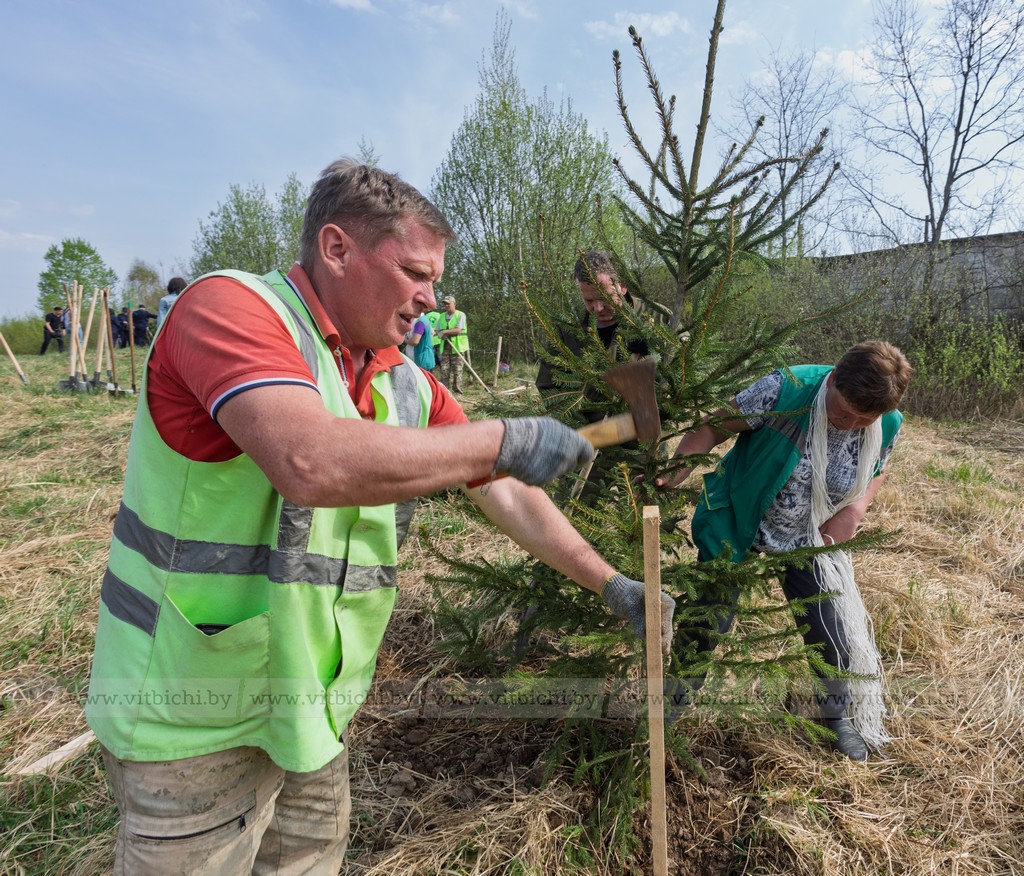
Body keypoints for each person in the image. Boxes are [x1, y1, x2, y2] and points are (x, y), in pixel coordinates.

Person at [85, 157, 676, 875]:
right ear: (337, 248)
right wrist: (501, 439)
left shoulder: (402, 380)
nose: (432, 296)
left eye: (435, 278)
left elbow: (505, 489)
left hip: (312, 709)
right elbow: (308, 459)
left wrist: (610, 583)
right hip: (194, 716)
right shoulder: (230, 310)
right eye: (415, 273)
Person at [656, 341, 912, 762]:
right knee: (709, 619)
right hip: (740, 518)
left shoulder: (887, 422)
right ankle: (671, 704)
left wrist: (854, 510)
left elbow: (877, 469)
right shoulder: (785, 389)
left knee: (830, 630)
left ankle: (835, 716)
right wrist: (674, 470)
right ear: (833, 380)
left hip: (809, 533)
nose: (849, 425)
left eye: (863, 421)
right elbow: (713, 427)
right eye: (844, 412)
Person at [436, 294, 468, 393]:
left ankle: (457, 392)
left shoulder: (460, 315)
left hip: (457, 347)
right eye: (445, 304)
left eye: (448, 304)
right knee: (444, 370)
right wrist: (440, 334)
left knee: (457, 370)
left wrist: (444, 332)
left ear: (454, 304)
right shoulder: (441, 316)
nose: (446, 306)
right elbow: (437, 330)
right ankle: (445, 392)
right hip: (445, 347)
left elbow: (458, 330)